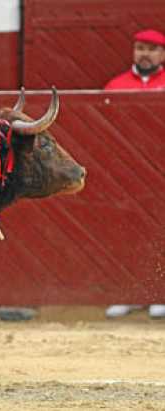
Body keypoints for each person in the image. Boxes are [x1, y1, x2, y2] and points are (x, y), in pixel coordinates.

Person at [104, 28, 165, 319]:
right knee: (124, 232)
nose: (145, 53)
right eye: (141, 47)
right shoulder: (115, 86)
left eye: (152, 49)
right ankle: (127, 293)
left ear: (162, 55)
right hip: (125, 173)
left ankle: (160, 295)